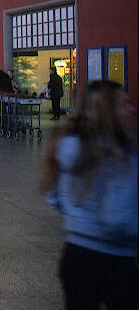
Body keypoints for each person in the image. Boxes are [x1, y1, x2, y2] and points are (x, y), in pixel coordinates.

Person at [41, 80, 137, 310]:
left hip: (74, 255)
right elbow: (117, 217)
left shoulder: (67, 146)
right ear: (109, 111)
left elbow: (53, 195)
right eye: (124, 105)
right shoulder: (121, 156)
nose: (132, 109)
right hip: (115, 260)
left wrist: (79, 217)